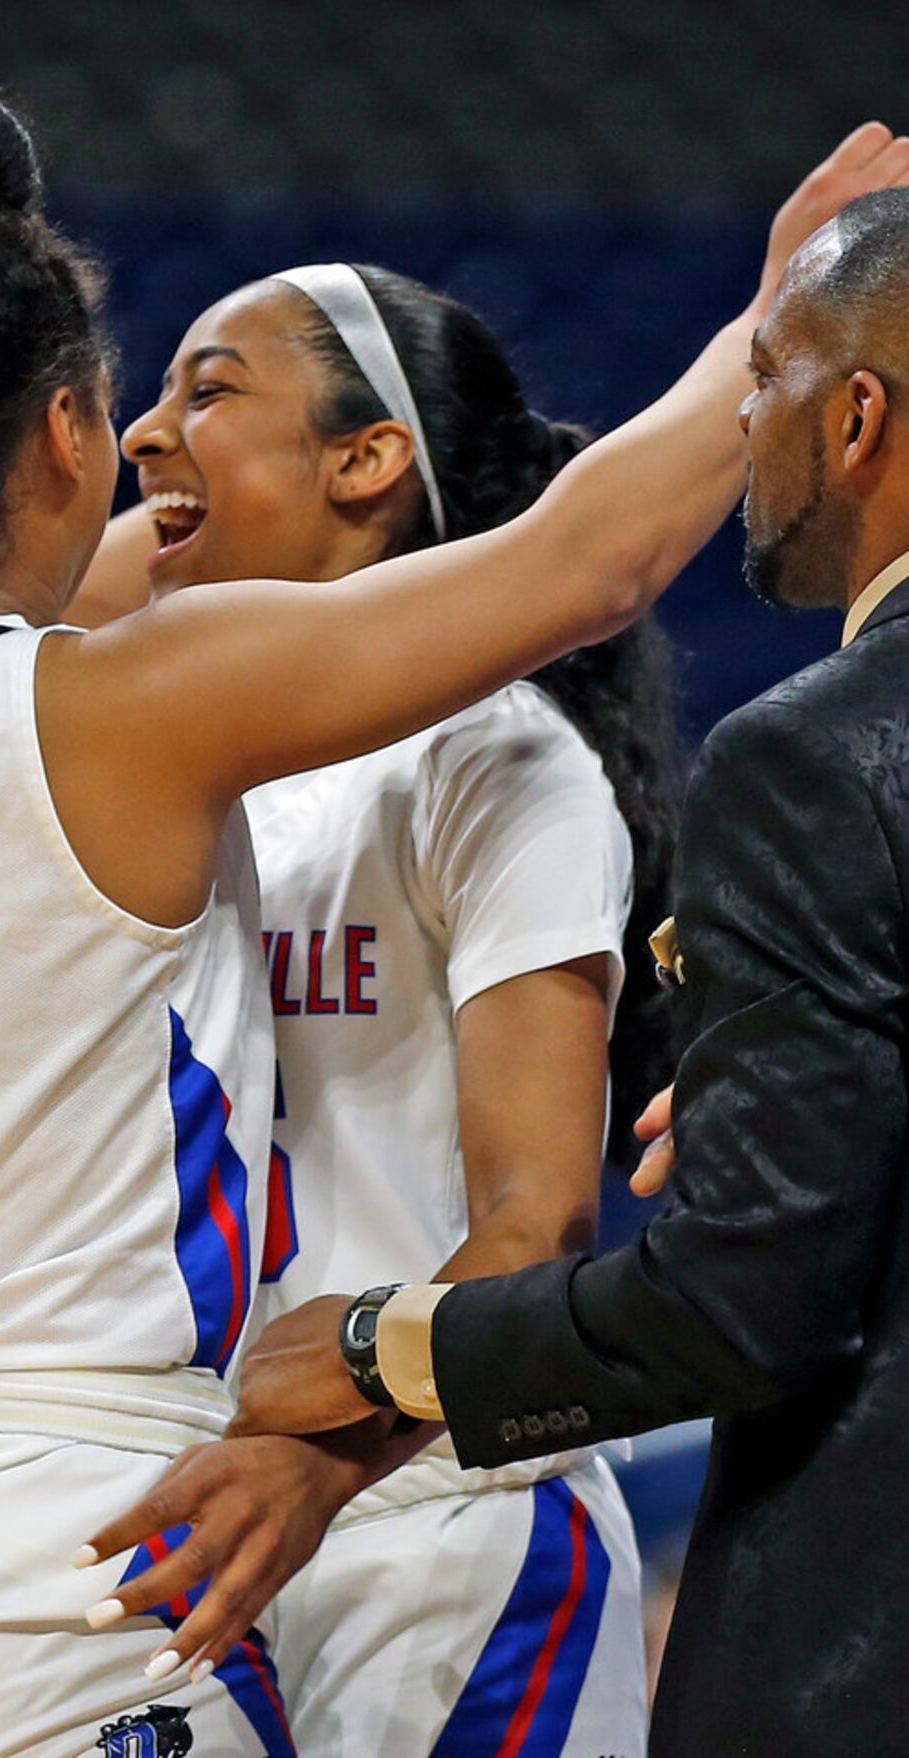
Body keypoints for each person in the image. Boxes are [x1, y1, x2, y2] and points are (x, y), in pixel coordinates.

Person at [0, 88, 901, 1758]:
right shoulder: (132, 717)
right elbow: (581, 562)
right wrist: (779, 302)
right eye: (126, 413)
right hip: (60, 1537)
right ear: (65, 433)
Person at [222, 186, 909, 1756]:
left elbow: (741, 1294)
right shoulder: (190, 773)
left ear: (856, 417)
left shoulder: (790, 760)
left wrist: (365, 1359)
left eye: (769, 374)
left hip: (457, 1521)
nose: (742, 420)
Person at [62, 260, 675, 1756]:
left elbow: (534, 1229)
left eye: (207, 392)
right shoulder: (154, 765)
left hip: (433, 1526)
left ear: (365, 458)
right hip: (196, 1522)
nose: (145, 437)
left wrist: (332, 1462)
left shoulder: (495, 758)